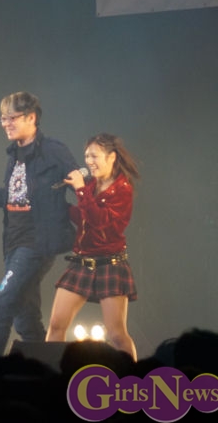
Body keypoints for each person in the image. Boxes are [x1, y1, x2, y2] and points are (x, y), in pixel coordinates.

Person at [0, 91, 77, 355]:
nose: (6, 124)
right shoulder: (14, 155)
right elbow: (13, 197)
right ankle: (48, 369)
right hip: (13, 245)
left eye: (12, 117)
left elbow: (81, 186)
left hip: (36, 245)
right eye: (3, 118)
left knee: (0, 308)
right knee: (26, 319)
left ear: (31, 117)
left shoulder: (53, 150)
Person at [46, 133, 139, 360]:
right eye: (86, 156)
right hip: (82, 261)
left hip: (110, 264)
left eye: (94, 156)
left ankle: (132, 375)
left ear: (112, 157)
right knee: (56, 324)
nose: (89, 161)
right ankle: (51, 374)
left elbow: (99, 221)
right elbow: (83, 218)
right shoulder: (91, 184)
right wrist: (60, 206)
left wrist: (80, 190)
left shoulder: (123, 189)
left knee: (116, 334)